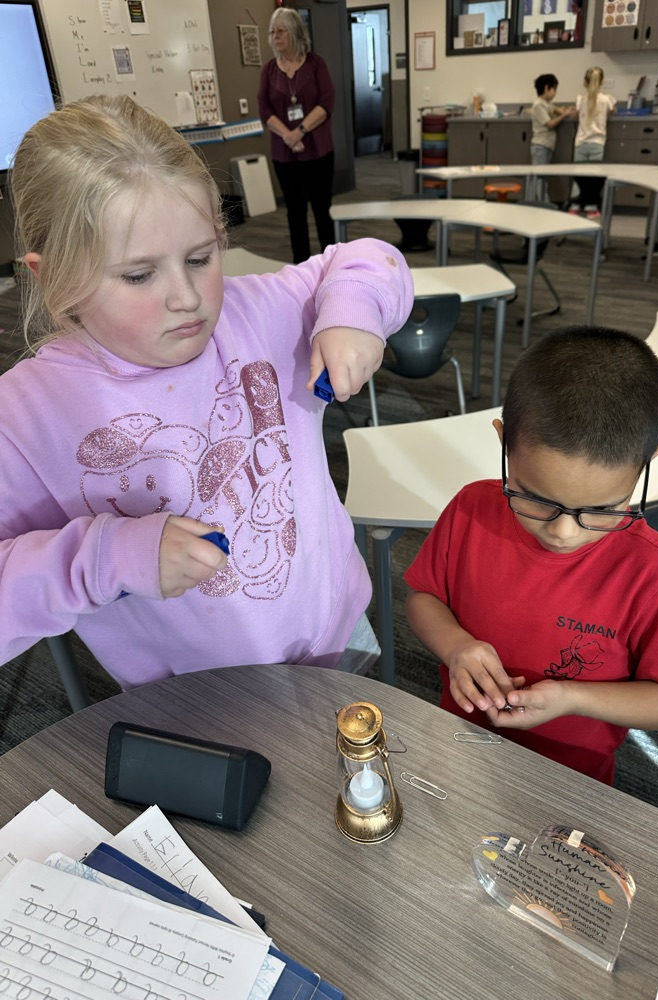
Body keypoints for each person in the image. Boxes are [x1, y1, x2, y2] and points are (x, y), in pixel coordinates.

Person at [1, 94, 414, 690]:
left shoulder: (257, 314)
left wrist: (353, 311)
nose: (187, 297)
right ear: (54, 277)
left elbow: (367, 259)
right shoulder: (26, 416)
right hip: (194, 698)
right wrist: (104, 559)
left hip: (337, 637)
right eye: (139, 275)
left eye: (201, 257)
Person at [404, 326, 658, 785]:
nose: (563, 531)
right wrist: (456, 645)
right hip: (461, 740)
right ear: (504, 442)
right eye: (536, 498)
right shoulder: (471, 509)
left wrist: (573, 697)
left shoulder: (654, 574)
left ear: (647, 465)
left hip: (572, 777)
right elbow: (423, 598)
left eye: (603, 509)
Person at [258, 8, 336, 264]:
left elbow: (326, 103)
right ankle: (301, 266)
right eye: (272, 31)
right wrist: (288, 136)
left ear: (294, 32)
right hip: (285, 155)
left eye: (280, 31)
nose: (275, 36)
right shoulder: (269, 70)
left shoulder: (316, 63)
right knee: (295, 213)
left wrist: (300, 131)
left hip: (318, 151)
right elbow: (265, 109)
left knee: (322, 211)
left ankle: (332, 264)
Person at [568, 66, 617, 218]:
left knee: (579, 177)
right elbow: (613, 111)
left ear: (585, 83)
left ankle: (575, 206)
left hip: (581, 143)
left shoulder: (580, 99)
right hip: (597, 143)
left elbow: (575, 116)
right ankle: (591, 208)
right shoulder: (607, 99)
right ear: (601, 82)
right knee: (593, 178)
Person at [529, 73, 572, 201]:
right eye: (554, 89)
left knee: (541, 177)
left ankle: (536, 203)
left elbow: (555, 110)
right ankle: (543, 204)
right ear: (547, 88)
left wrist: (565, 111)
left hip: (546, 146)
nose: (555, 93)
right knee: (539, 178)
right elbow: (549, 124)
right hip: (540, 145)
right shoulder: (539, 105)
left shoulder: (546, 104)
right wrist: (563, 116)